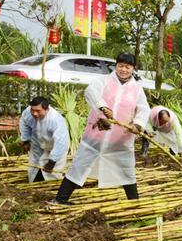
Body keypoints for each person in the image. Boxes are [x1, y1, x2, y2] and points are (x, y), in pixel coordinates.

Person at [53, 53, 150, 204]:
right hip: (96, 136)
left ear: (133, 68)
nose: (123, 69)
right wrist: (103, 107)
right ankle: (60, 199)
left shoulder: (137, 89)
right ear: (116, 66)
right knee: (79, 166)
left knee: (126, 170)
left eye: (127, 67)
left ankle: (134, 203)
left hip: (120, 140)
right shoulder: (103, 81)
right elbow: (91, 93)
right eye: (120, 66)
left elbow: (143, 110)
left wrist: (138, 125)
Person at [19, 96, 69, 183]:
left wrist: (52, 161)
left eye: (38, 111)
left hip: (55, 145)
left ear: (46, 109)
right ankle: (34, 181)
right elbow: (24, 123)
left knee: (53, 169)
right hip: (38, 141)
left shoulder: (55, 120)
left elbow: (61, 142)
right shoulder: (27, 112)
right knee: (34, 162)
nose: (34, 113)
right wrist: (26, 139)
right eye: (32, 110)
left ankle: (51, 186)